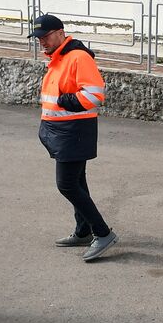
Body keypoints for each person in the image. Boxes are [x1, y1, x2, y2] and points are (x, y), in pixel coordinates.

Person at [30, 13, 118, 261]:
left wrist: (63, 100)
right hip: (64, 132)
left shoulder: (77, 57)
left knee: (67, 185)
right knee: (78, 183)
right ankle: (83, 231)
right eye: (39, 39)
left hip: (74, 131)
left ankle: (103, 233)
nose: (42, 42)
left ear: (60, 32)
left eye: (45, 36)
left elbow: (94, 95)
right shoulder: (60, 58)